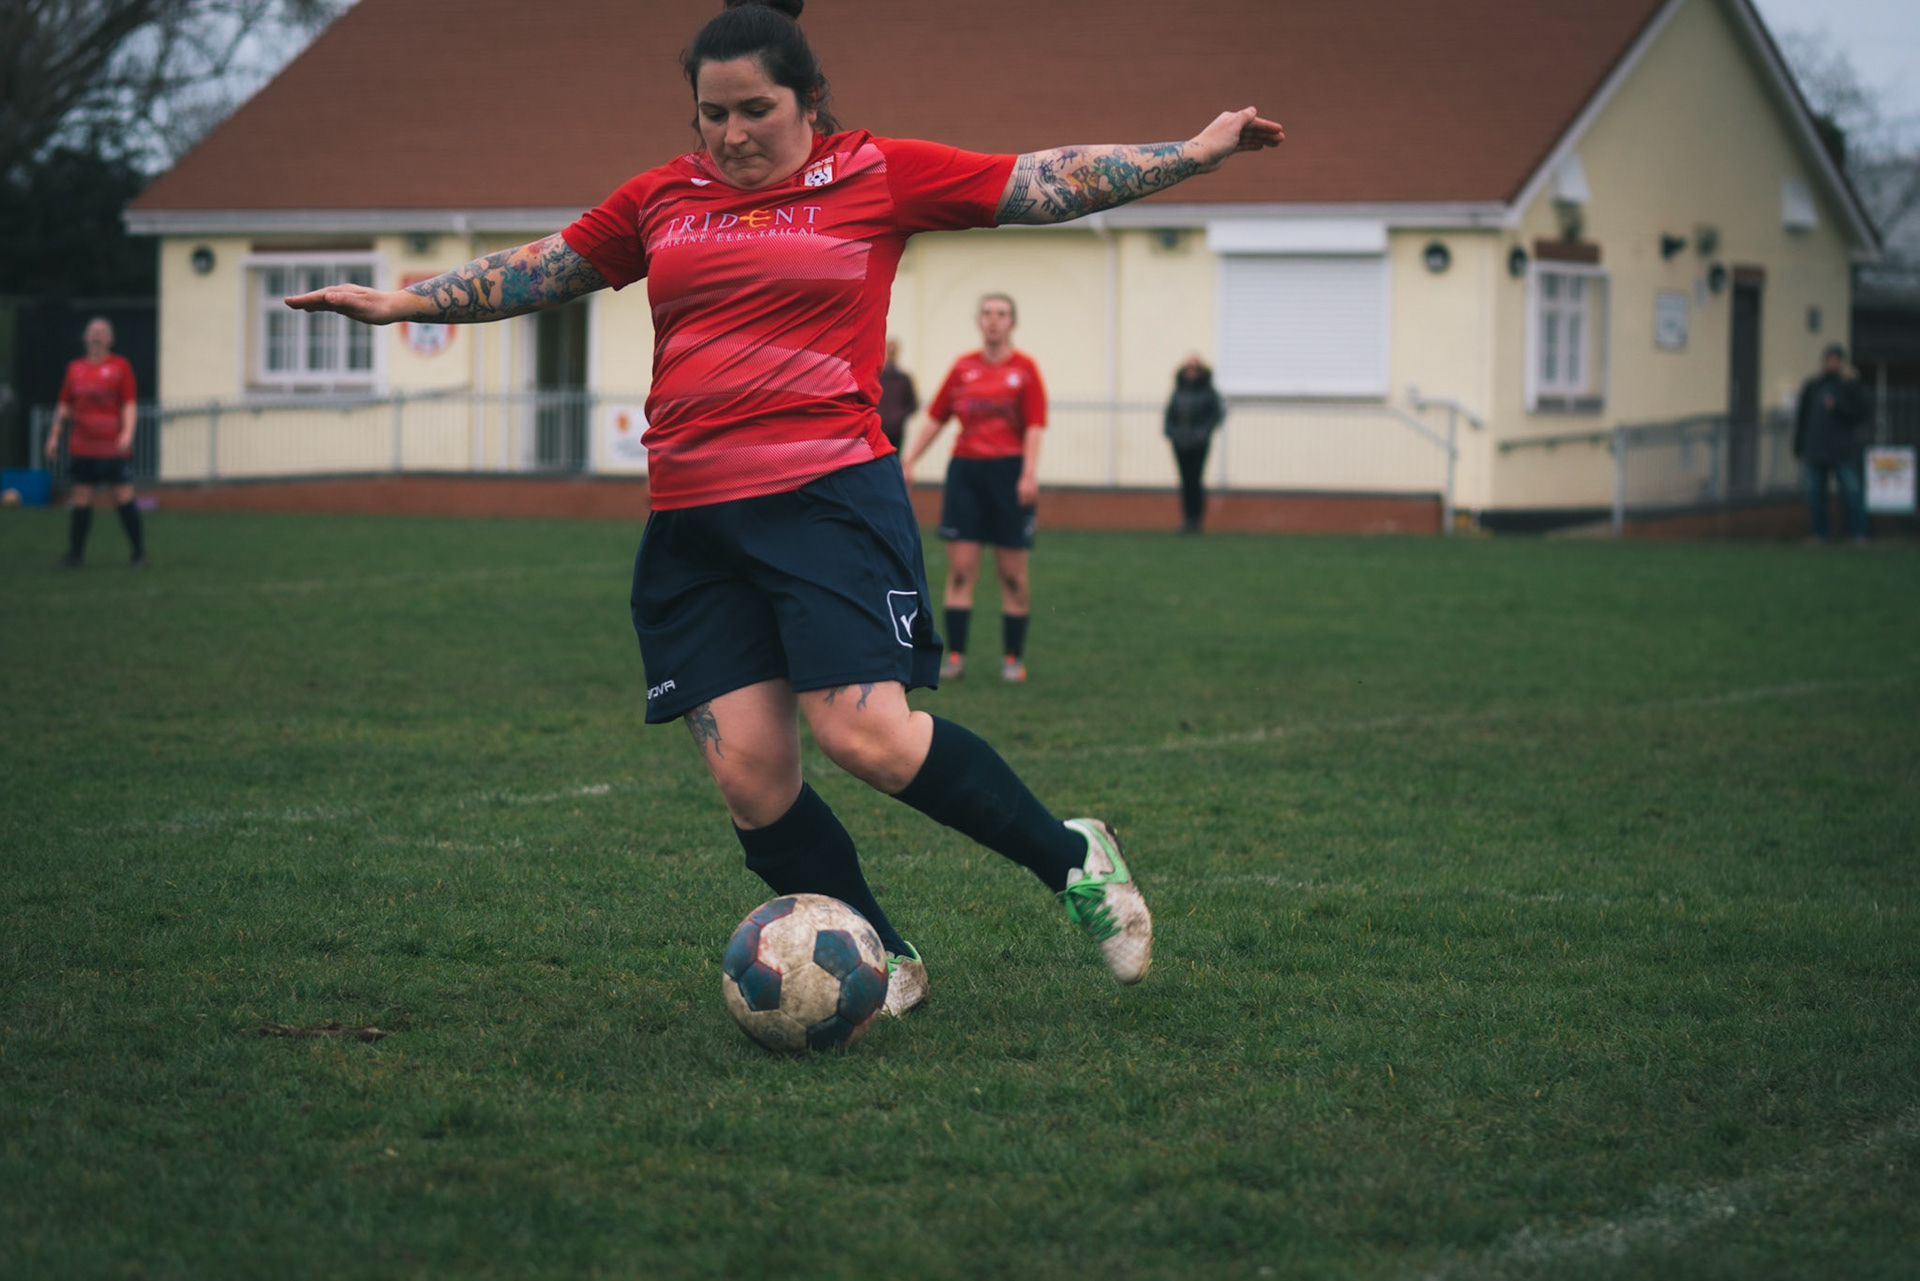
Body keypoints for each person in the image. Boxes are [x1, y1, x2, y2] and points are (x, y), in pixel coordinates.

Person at [286, 0, 1282, 1018]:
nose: (730, 134)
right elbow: (548, 266)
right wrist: (407, 302)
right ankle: (887, 960)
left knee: (871, 741)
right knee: (753, 783)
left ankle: (1073, 860)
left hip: (825, 498)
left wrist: (1192, 155)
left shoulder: (874, 173)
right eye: (709, 114)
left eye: (754, 109)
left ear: (809, 99)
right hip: (693, 524)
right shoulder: (660, 200)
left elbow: (1043, 179)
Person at [904, 294, 1045, 684]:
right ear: (978, 321)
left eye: (1001, 314)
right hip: (966, 474)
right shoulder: (963, 368)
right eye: (987, 313)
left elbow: (1034, 425)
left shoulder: (1026, 370)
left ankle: (1012, 659)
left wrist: (1029, 473)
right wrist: (909, 459)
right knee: (961, 572)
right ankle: (957, 659)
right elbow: (936, 418)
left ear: (1012, 322)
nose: (993, 321)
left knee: (1013, 575)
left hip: (1009, 474)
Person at [46, 317, 145, 569]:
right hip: (82, 444)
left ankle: (138, 554)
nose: (97, 336)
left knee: (122, 494)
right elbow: (64, 405)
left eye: (102, 332)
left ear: (110, 339)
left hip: (112, 445)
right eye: (93, 332)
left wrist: (127, 433)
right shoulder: (75, 368)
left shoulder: (120, 366)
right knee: (81, 497)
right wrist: (55, 435)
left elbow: (129, 403)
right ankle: (75, 555)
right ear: (85, 337)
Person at [1792, 343, 1872, 544]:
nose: (1832, 364)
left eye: (1836, 360)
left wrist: (1838, 407)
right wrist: (1799, 446)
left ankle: (1859, 533)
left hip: (1841, 449)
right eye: (1829, 360)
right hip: (1816, 449)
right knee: (1816, 495)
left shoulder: (1849, 386)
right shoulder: (1813, 386)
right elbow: (1803, 419)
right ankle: (1820, 533)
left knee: (1851, 491)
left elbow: (1860, 413)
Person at [1163, 354, 1224, 533]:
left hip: (1198, 443)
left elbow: (1216, 415)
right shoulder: (1178, 391)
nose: (1191, 372)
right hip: (1180, 443)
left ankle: (1196, 520)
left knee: (1196, 480)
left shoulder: (1208, 392)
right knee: (1185, 481)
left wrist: (1202, 434)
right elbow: (1169, 415)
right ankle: (1186, 519)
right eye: (1188, 368)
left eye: (1194, 369)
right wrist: (1172, 433)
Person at [876, 337, 917, 450]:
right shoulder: (876, 378)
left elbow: (912, 405)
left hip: (897, 431)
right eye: (889, 351)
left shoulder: (904, 379)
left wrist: (898, 416)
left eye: (893, 352)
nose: (891, 354)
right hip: (878, 429)